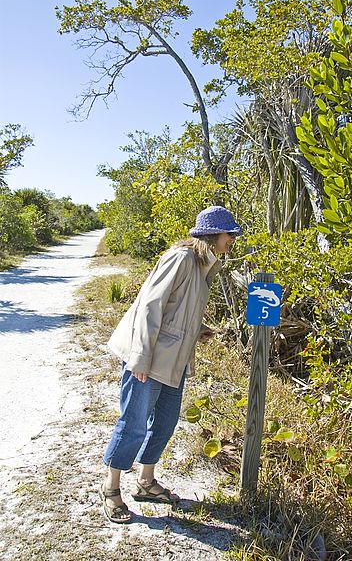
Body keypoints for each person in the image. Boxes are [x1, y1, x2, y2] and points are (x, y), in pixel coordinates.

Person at [99, 205, 243, 523]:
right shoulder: (181, 258)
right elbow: (149, 306)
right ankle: (111, 489)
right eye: (229, 234)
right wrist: (139, 357)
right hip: (147, 359)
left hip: (173, 362)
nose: (232, 239)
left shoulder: (204, 265)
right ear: (212, 234)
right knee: (134, 423)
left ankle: (146, 483)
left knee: (164, 423)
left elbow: (178, 310)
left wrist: (198, 329)